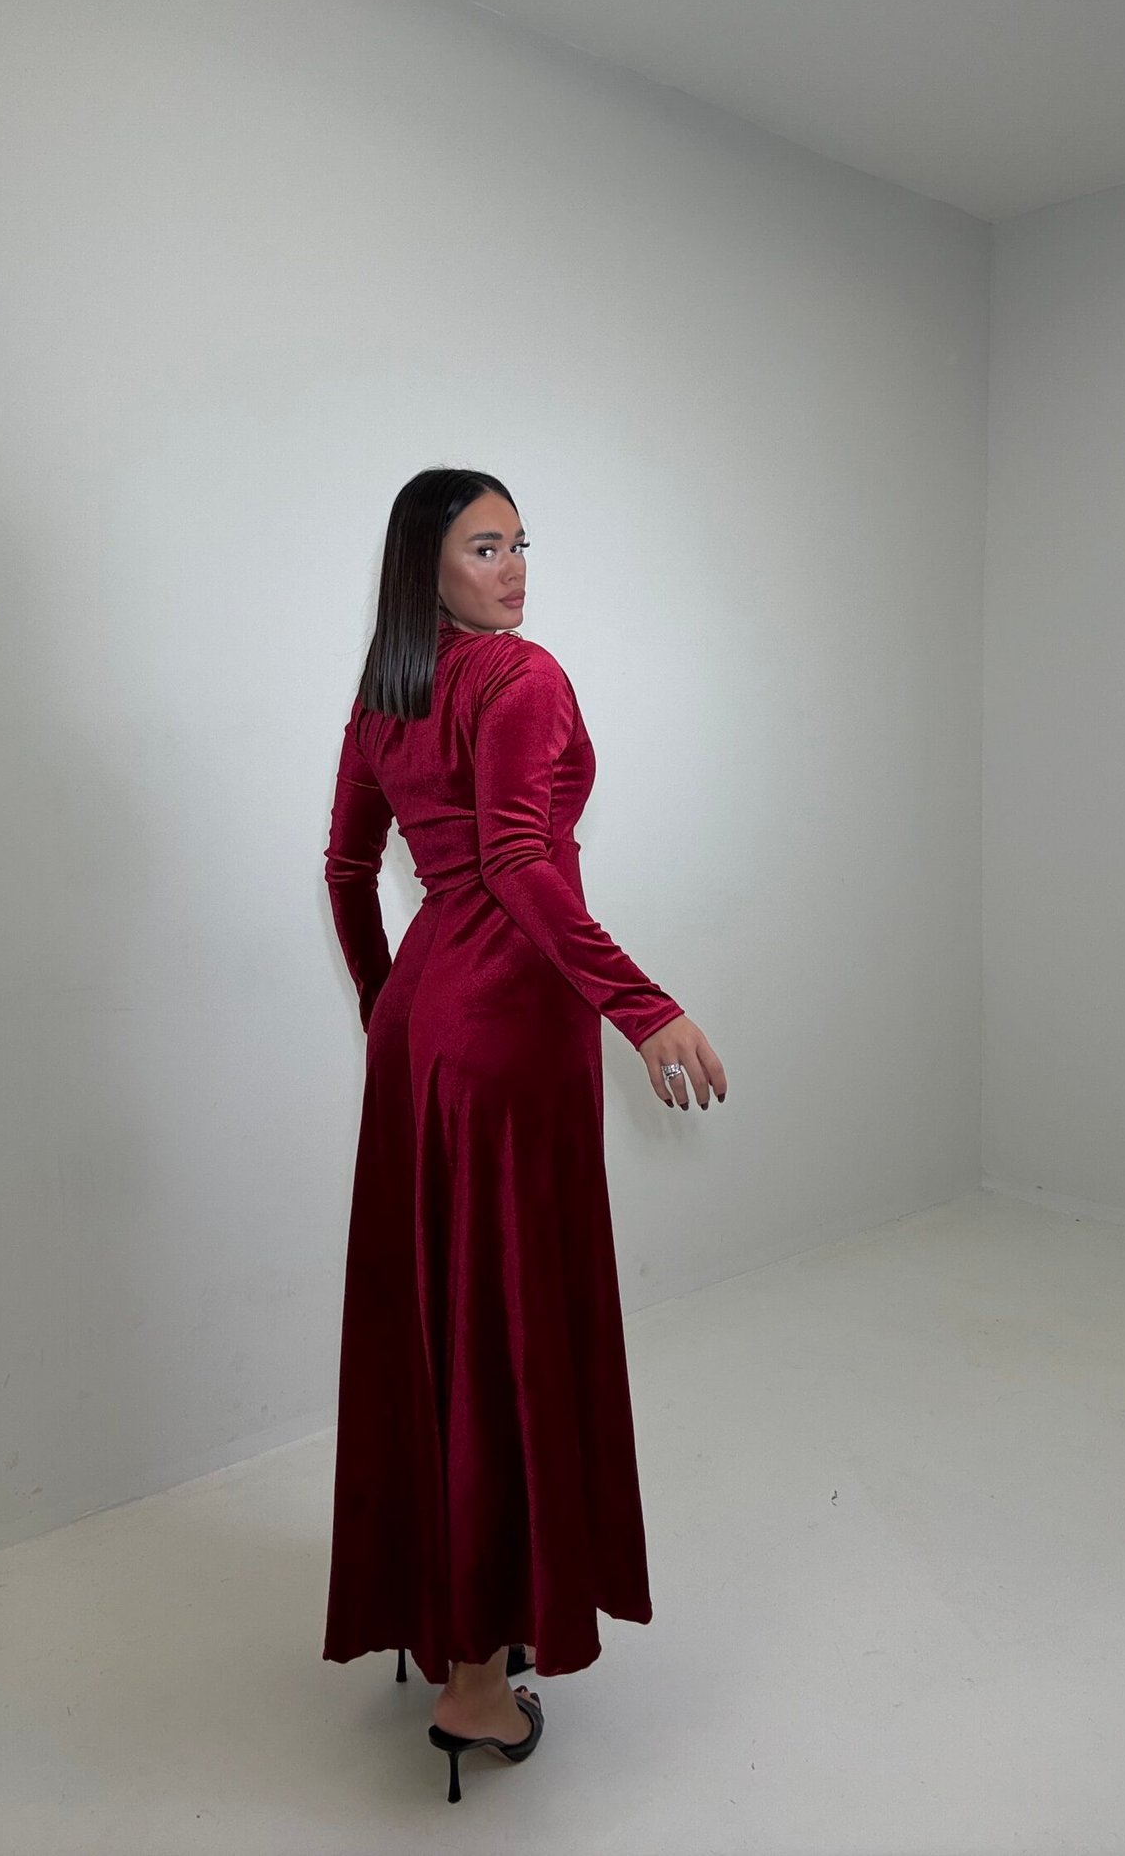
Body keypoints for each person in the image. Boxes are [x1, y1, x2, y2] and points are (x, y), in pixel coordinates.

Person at [320, 466, 727, 1801]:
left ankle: (442, 1614)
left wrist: (391, 1013)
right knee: (502, 1326)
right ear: (426, 566)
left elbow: (348, 870)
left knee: (439, 1318)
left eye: (519, 543)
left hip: (427, 1030)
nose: (514, 568)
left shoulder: (383, 694)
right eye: (485, 547)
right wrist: (644, 1006)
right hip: (508, 1034)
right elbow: (516, 859)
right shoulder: (522, 679)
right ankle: (478, 1683)